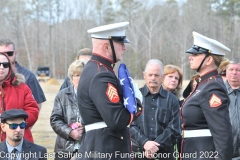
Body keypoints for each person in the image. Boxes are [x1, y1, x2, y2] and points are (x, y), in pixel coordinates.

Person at [76, 22, 142, 160]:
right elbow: (117, 120)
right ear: (106, 46)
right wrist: (137, 102)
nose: (124, 47)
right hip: (106, 150)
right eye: (120, 43)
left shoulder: (96, 69)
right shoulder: (101, 74)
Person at [181, 31, 233, 160]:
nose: (190, 57)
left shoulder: (212, 87)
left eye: (195, 54)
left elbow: (222, 133)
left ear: (209, 59)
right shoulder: (203, 84)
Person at [130, 59, 181, 160]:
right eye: (150, 75)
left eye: (157, 75)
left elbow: (174, 128)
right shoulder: (135, 97)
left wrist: (154, 147)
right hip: (139, 153)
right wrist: (145, 142)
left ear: (162, 77)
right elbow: (131, 124)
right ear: (144, 75)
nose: (153, 78)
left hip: (164, 154)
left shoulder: (172, 99)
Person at [51, 60, 86, 160]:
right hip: (64, 148)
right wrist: (70, 132)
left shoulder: (93, 95)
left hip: (87, 147)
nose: (79, 78)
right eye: (76, 75)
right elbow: (55, 120)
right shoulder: (62, 95)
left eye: (82, 75)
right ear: (71, 78)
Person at [0, 52, 39, 142]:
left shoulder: (22, 88)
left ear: (10, 67)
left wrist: (16, 123)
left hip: (19, 142)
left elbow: (33, 111)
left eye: (5, 65)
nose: (1, 67)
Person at [0, 39, 46, 110]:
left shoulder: (28, 76)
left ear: (15, 53)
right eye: (2, 54)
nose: (6, 57)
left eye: (9, 53)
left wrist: (23, 120)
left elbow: (36, 104)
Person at [224, 58, 240, 159]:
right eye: (231, 69)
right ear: (226, 72)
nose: (234, 73)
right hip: (222, 152)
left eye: (238, 70)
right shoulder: (217, 92)